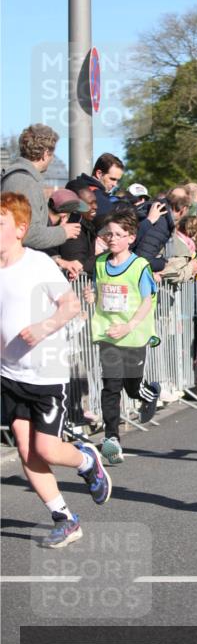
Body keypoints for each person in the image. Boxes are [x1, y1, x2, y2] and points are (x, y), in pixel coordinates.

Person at [0, 192, 111, 548]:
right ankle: (65, 518)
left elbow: (70, 305)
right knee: (25, 448)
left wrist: (43, 328)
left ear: (19, 229)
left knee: (47, 450)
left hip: (46, 375)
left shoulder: (36, 264)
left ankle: (86, 459)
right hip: (10, 373)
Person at [84, 208, 160, 463]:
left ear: (131, 237)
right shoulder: (100, 263)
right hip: (108, 334)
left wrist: (129, 326)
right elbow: (101, 291)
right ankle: (111, 438)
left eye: (119, 234)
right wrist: (92, 296)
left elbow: (147, 301)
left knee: (132, 386)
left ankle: (150, 390)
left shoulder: (140, 266)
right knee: (111, 385)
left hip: (133, 335)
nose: (112, 238)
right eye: (109, 234)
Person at [1, 124, 81, 252]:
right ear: (45, 154)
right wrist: (63, 232)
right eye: (52, 153)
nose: (52, 158)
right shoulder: (25, 182)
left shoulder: (22, 179)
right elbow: (27, 234)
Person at [71, 152, 124, 219]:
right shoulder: (101, 201)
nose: (115, 184)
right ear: (99, 174)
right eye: (112, 179)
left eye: (117, 180)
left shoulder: (74, 188)